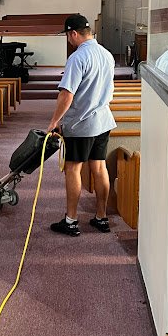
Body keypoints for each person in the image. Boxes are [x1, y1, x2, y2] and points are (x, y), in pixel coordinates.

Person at [47, 14, 116, 237]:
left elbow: (67, 94)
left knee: (73, 169)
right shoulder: (106, 54)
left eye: (68, 36)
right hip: (103, 121)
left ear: (74, 33)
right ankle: (101, 217)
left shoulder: (77, 58)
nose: (68, 40)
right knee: (99, 168)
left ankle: (71, 220)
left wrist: (54, 121)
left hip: (81, 123)